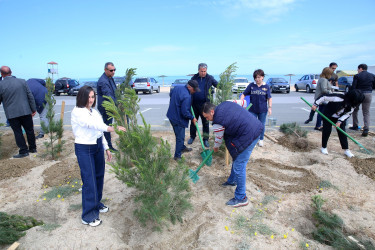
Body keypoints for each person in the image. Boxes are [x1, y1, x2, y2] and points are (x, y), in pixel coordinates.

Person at [71, 85, 126, 227]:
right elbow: (92, 125)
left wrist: (106, 148)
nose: (91, 99)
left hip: (96, 147)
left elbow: (99, 131)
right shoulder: (78, 112)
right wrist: (113, 129)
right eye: (88, 97)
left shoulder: (94, 112)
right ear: (82, 97)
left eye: (93, 97)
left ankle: (96, 203)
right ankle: (88, 215)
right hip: (84, 148)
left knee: (99, 177)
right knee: (89, 181)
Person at [202, 101, 263, 207]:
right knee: (237, 158)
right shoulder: (224, 104)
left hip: (249, 135)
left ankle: (241, 198)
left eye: (207, 117)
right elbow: (242, 103)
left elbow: (218, 139)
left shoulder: (218, 122)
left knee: (239, 166)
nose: (207, 120)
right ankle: (232, 180)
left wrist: (215, 147)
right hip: (254, 126)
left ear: (212, 112)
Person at [311, 89, 365, 158]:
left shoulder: (352, 105)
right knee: (327, 131)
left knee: (342, 132)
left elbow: (347, 114)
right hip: (328, 114)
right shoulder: (338, 97)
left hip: (339, 117)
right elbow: (323, 97)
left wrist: (339, 121)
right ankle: (324, 147)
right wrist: (316, 104)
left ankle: (346, 150)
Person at [0, 66, 37, 158]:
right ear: (11, 72)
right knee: (30, 130)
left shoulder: (1, 84)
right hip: (25, 111)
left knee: (18, 132)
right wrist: (33, 109)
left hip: (12, 113)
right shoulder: (22, 81)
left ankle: (24, 151)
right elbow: (30, 96)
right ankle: (32, 148)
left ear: (1, 74)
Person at [167, 80, 199, 161]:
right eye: (194, 90)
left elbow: (170, 94)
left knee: (180, 135)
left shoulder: (177, 88)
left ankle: (182, 147)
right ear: (189, 87)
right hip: (178, 119)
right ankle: (177, 156)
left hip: (171, 116)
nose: (195, 91)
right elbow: (185, 112)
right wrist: (192, 118)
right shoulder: (187, 96)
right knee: (180, 138)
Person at [188, 63, 218, 147]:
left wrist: (225, 86)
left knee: (205, 122)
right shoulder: (194, 78)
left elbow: (217, 85)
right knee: (193, 121)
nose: (203, 73)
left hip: (205, 105)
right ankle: (192, 137)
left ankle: (205, 139)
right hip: (194, 104)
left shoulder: (210, 78)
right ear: (198, 70)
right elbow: (189, 87)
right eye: (202, 71)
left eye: (205, 71)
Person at [240, 69, 272, 147]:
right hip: (252, 110)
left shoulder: (266, 86)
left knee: (261, 125)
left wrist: (270, 108)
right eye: (256, 77)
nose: (257, 79)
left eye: (259, 77)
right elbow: (244, 94)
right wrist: (241, 101)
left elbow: (269, 98)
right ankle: (253, 139)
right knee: (252, 125)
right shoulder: (251, 85)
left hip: (263, 110)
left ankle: (261, 139)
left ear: (262, 77)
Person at [349, 64, 375, 137]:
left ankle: (355, 125)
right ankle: (366, 128)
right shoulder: (372, 75)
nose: (357, 71)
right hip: (368, 94)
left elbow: (354, 87)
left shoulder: (357, 76)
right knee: (366, 112)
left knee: (355, 110)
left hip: (359, 94)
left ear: (360, 68)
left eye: (358, 69)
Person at [97, 62, 118, 151]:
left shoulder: (110, 78)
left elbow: (114, 92)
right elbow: (108, 95)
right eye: (111, 70)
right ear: (105, 70)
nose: (113, 72)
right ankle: (108, 147)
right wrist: (117, 105)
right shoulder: (103, 81)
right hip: (106, 107)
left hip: (110, 106)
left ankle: (107, 146)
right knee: (107, 127)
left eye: (114, 70)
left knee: (108, 125)